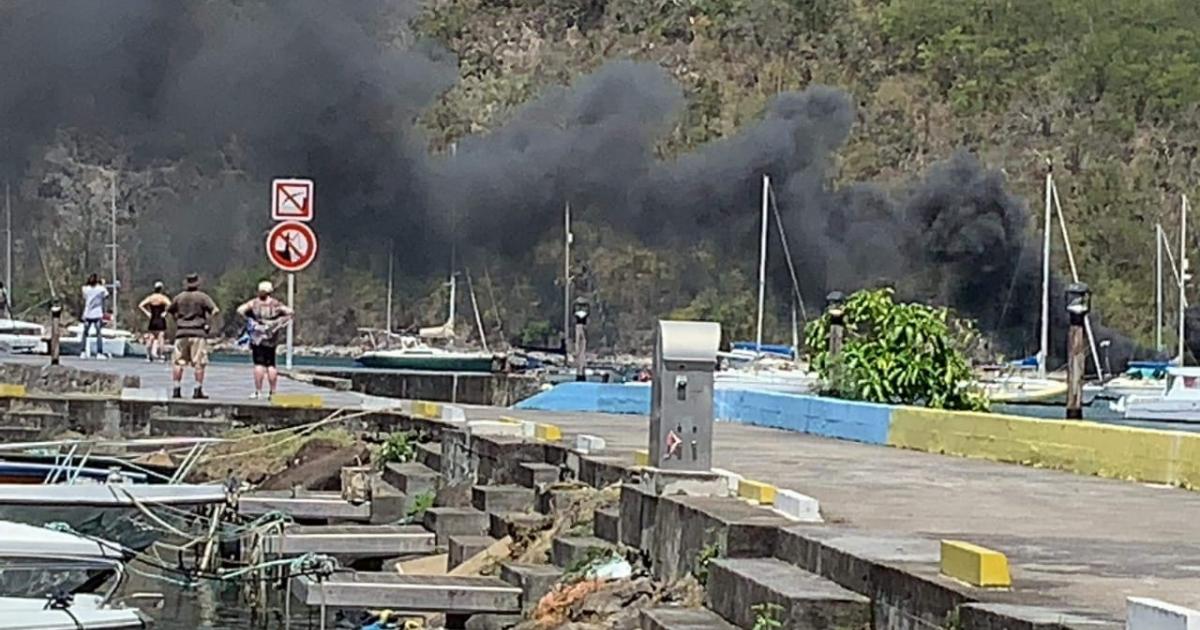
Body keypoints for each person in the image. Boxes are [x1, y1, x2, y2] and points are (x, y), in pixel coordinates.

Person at [236, 280, 293, 400]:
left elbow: (240, 310)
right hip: (271, 337)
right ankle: (273, 392)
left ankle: (258, 391)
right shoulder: (275, 304)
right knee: (271, 364)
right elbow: (290, 311)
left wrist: (250, 319)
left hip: (257, 337)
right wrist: (278, 322)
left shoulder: (254, 303)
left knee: (258, 364)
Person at [167, 273, 219, 399]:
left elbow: (169, 311)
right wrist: (208, 324)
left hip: (181, 333)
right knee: (199, 363)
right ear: (198, 283)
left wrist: (177, 322)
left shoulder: (179, 297)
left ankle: (176, 388)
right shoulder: (202, 297)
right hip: (197, 333)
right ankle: (197, 389)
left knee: (178, 363)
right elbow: (215, 310)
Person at [138, 281, 171, 363]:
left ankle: (149, 356)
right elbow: (171, 304)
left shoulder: (151, 297)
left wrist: (147, 313)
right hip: (160, 318)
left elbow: (141, 305)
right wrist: (165, 312)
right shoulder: (162, 298)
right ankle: (161, 356)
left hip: (153, 318)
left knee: (151, 337)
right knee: (161, 338)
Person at [79, 273, 109, 359]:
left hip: (87, 313)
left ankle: (83, 352)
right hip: (97, 313)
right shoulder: (101, 289)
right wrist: (103, 284)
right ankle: (99, 353)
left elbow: (84, 297)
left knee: (85, 333)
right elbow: (106, 296)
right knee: (98, 333)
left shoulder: (85, 289)